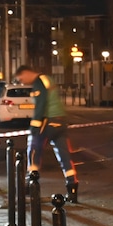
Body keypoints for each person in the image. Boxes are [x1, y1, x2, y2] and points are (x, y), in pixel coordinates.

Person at [15, 65, 79, 203]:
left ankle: (30, 184)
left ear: (26, 73)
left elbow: (41, 103)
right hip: (60, 121)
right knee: (64, 156)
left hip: (48, 120)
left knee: (33, 150)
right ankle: (72, 188)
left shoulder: (39, 82)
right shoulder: (47, 79)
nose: (22, 82)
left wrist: (35, 125)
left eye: (21, 79)